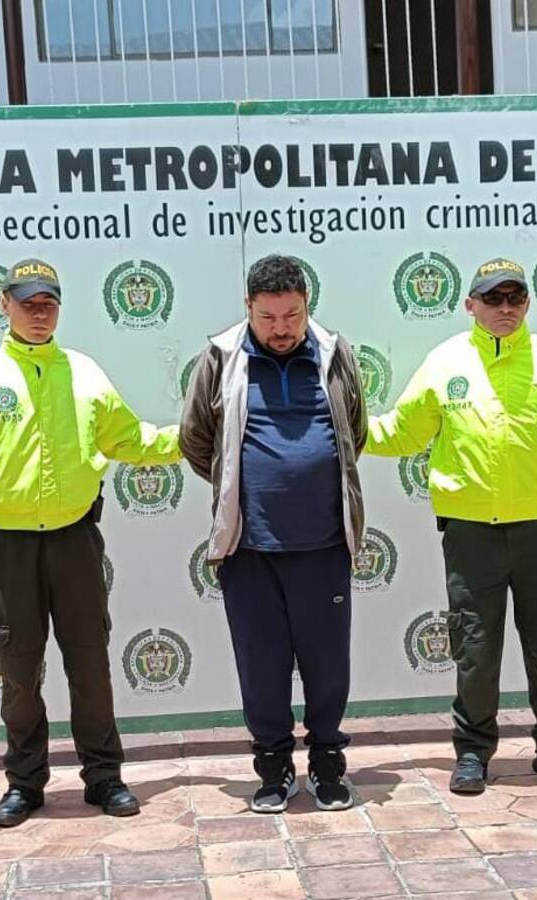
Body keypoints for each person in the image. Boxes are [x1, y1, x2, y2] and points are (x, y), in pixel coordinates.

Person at [0, 258, 181, 826]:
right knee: (19, 669)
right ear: (4, 305)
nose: (39, 313)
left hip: (75, 542)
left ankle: (105, 777)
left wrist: (189, 439)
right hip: (10, 547)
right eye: (28, 302)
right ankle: (24, 783)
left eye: (48, 303)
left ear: (59, 308)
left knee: (89, 663)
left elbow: (130, 438)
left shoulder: (85, 374)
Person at [366, 257, 537, 794]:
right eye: (492, 299)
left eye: (515, 297)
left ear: (528, 303)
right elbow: (404, 432)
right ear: (470, 304)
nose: (505, 308)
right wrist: (346, 423)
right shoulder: (445, 362)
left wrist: (534, 477)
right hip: (470, 532)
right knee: (475, 646)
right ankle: (472, 754)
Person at [180, 254, 367, 813]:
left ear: (308, 306)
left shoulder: (335, 355)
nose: (282, 328)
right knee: (260, 667)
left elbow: (353, 431)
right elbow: (196, 440)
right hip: (250, 548)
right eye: (269, 317)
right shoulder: (220, 357)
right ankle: (273, 767)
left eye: (293, 315)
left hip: (325, 545)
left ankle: (329, 765)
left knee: (328, 667)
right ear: (248, 309)